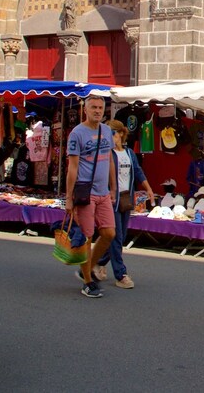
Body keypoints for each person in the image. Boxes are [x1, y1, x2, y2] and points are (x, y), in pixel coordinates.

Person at [66, 96, 117, 298]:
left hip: (103, 192)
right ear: (85, 110)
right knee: (87, 236)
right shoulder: (77, 133)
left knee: (109, 233)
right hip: (85, 193)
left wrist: (113, 188)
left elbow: (111, 161)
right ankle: (87, 281)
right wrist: (69, 198)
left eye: (100, 107)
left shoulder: (106, 131)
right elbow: (73, 167)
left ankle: (88, 267)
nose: (97, 111)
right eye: (93, 107)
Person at [93, 120, 154, 289]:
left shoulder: (129, 153)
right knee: (117, 236)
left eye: (113, 133)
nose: (111, 137)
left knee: (121, 236)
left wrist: (148, 189)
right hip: (111, 199)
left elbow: (138, 171)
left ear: (120, 133)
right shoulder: (107, 154)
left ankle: (97, 261)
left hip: (127, 198)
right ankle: (121, 274)